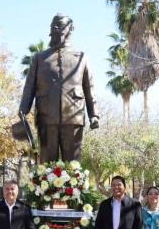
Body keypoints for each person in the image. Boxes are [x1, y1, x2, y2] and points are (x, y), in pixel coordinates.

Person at [18, 13, 99, 163]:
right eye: (53, 26)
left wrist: (94, 114)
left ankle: (75, 187)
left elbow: (89, 87)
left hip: (74, 114)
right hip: (46, 115)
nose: (56, 29)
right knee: (46, 165)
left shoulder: (82, 57)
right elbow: (29, 87)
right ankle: (45, 187)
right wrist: (23, 109)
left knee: (73, 165)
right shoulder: (39, 58)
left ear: (70, 28)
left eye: (60, 25)